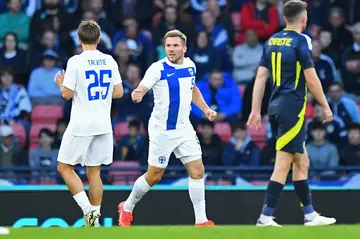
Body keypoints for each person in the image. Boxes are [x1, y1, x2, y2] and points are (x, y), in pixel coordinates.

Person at [247, 0, 336, 227]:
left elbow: (260, 77)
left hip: (275, 108)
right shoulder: (301, 41)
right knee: (283, 163)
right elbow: (311, 77)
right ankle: (265, 216)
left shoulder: (272, 40)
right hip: (292, 109)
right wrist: (325, 105)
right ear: (303, 18)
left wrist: (256, 110)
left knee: (302, 161)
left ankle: (310, 215)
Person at [118, 29, 217, 227]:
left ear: (184, 48)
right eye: (168, 46)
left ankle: (201, 221)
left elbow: (192, 88)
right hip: (162, 130)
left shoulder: (190, 66)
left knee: (197, 171)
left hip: (184, 128)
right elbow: (143, 87)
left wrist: (205, 109)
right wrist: (138, 93)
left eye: (175, 45)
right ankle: (126, 207)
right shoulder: (157, 68)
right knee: (154, 175)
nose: (171, 49)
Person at [53, 20, 124, 227]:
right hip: (103, 124)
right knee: (94, 172)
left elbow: (66, 94)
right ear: (99, 39)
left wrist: (60, 82)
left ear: (79, 39)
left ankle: (88, 211)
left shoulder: (75, 61)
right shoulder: (109, 60)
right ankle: (93, 221)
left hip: (81, 124)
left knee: (64, 167)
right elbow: (119, 92)